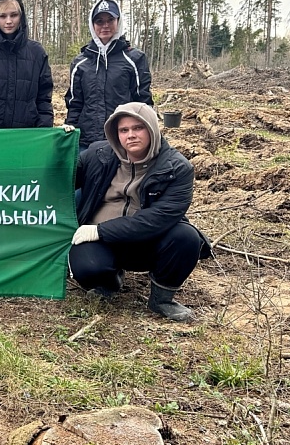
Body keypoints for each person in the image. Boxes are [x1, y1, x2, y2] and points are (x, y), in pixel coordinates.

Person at [68, 102, 211, 321]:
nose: (131, 135)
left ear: (152, 128)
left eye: (138, 128)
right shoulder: (97, 155)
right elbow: (63, 178)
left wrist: (100, 230)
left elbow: (158, 218)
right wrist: (61, 146)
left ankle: (161, 299)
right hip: (103, 242)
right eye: (124, 130)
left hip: (148, 242)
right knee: (87, 266)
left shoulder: (178, 168)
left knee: (186, 238)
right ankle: (109, 281)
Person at [65, 0, 153, 149]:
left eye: (110, 20)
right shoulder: (80, 62)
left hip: (123, 141)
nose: (105, 26)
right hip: (87, 141)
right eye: (99, 21)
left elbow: (143, 102)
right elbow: (75, 103)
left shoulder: (134, 59)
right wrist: (69, 131)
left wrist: (148, 135)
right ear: (92, 25)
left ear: (118, 22)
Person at [0, 0, 53, 128]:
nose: (8, 21)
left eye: (14, 15)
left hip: (27, 135)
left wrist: (44, 130)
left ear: (21, 17)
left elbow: (44, 97)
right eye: (2, 16)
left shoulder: (36, 53)